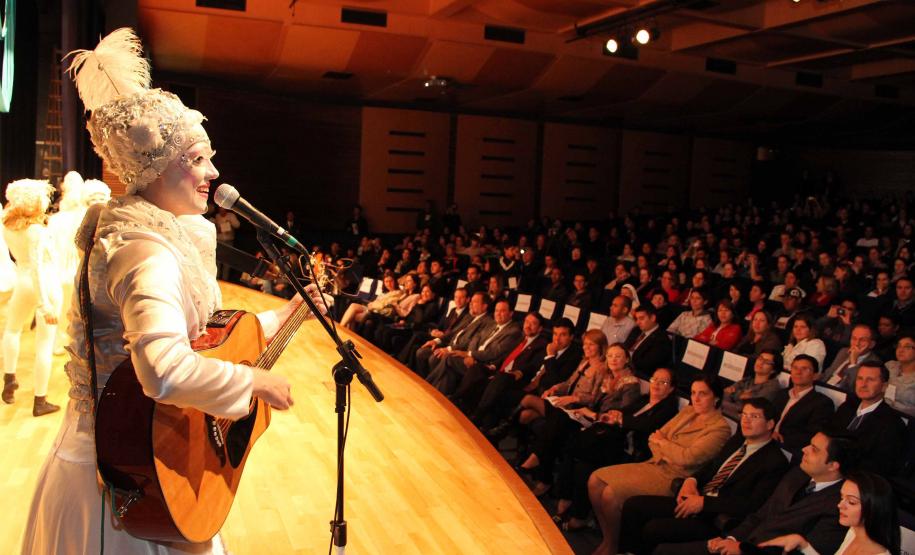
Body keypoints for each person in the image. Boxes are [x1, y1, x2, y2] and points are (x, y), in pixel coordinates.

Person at [21, 29, 326, 553]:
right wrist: (254, 381)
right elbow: (163, 370)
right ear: (157, 167)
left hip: (152, 454)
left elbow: (201, 338)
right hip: (127, 474)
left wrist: (286, 313)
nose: (213, 172)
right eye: (198, 158)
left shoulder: (154, 234)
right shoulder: (145, 253)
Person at [622, 398, 790, 554]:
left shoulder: (775, 461)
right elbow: (711, 467)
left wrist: (704, 503)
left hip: (716, 518)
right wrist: (691, 480)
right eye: (744, 414)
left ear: (770, 424)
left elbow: (752, 506)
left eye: (754, 416)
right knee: (633, 505)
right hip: (696, 498)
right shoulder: (737, 441)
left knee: (654, 528)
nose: (745, 420)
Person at [587, 375, 731, 555]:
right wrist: (668, 449)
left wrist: (664, 443)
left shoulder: (720, 428)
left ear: (716, 398)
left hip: (675, 478)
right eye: (693, 393)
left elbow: (688, 459)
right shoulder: (688, 411)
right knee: (595, 480)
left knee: (610, 494)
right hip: (655, 463)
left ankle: (612, 545)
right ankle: (609, 539)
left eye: (703, 394)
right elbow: (653, 437)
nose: (696, 398)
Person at [654, 430, 856, 555]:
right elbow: (760, 515)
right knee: (662, 549)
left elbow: (800, 552)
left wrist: (742, 549)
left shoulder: (839, 506)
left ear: (833, 465)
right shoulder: (797, 474)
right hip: (740, 540)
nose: (804, 449)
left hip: (754, 551)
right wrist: (732, 540)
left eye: (814, 449)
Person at [552, 367, 679, 531]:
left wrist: (621, 421)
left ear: (671, 388)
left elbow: (648, 426)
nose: (657, 384)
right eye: (654, 379)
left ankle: (574, 510)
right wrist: (614, 416)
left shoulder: (668, 409)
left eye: (663, 382)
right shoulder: (644, 399)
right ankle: (571, 505)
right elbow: (624, 413)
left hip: (631, 450)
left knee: (579, 456)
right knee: (578, 458)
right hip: (612, 441)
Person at [1, 179, 60, 415]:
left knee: (12, 330)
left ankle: (9, 378)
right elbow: (38, 267)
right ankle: (40, 400)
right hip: (44, 284)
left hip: (22, 281)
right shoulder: (35, 230)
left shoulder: (8, 225)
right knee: (44, 345)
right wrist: (44, 304)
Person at [759, 470, 899, 555]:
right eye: (842, 498)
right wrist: (803, 544)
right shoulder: (853, 532)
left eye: (851, 502)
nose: (840, 505)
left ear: (873, 508)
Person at [829, 361, 906, 477]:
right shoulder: (847, 406)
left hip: (854, 478)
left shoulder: (892, 424)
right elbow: (828, 435)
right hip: (827, 468)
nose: (863, 384)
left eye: (870, 380)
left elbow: (880, 467)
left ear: (884, 386)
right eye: (860, 378)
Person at [771, 354, 835, 455]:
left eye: (805, 369)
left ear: (815, 375)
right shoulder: (782, 394)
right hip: (766, 439)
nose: (798, 372)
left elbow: (812, 434)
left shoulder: (822, 403)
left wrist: (779, 438)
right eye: (795, 368)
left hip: (788, 450)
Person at [721, 349, 783, 418]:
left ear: (773, 370)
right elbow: (726, 392)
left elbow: (751, 408)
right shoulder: (748, 379)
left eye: (767, 362)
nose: (761, 363)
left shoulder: (772, 387)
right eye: (760, 358)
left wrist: (734, 394)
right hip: (728, 410)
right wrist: (741, 395)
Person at [886, 331, 915, 416]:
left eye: (907, 347)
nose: (901, 350)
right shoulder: (890, 366)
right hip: (881, 414)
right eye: (899, 346)